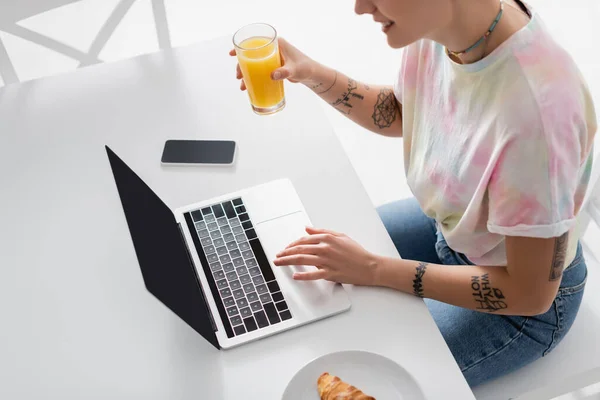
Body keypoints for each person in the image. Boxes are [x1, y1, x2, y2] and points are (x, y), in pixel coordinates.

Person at [231, 0, 597, 387]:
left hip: (522, 304)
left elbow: (529, 292)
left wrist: (375, 269)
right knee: (305, 274)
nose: (360, 7)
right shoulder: (447, 29)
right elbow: (405, 112)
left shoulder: (539, 112)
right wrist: (312, 74)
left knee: (363, 380)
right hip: (455, 232)